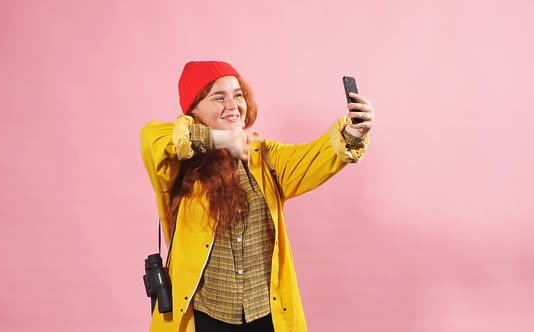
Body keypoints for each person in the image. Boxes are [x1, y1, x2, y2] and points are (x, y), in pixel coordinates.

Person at [140, 60, 374, 332]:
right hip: (205, 318)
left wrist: (353, 133)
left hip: (266, 317)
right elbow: (152, 138)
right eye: (219, 97)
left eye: (238, 94)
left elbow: (313, 158)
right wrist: (222, 140)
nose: (233, 105)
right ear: (193, 110)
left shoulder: (263, 155)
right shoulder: (177, 164)